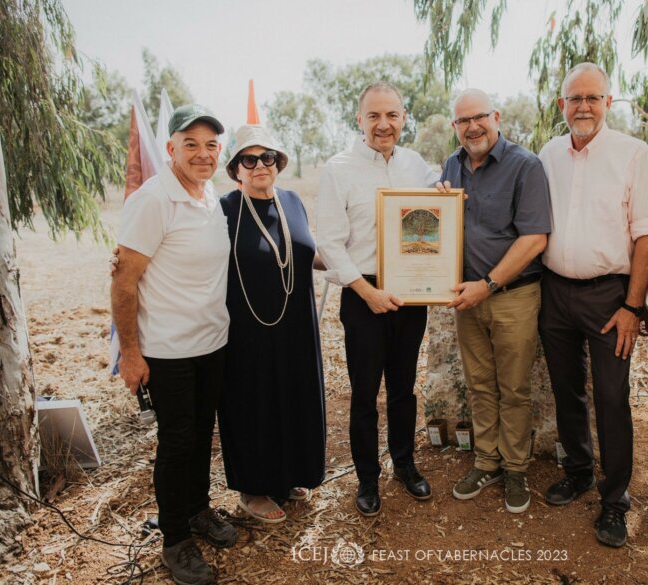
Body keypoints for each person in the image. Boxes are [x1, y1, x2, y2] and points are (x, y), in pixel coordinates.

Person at [537, 63, 648, 548]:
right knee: (566, 389)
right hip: (555, 292)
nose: (583, 107)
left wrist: (634, 305)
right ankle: (579, 470)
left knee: (611, 398)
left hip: (611, 296)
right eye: (575, 99)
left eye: (593, 98)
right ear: (561, 105)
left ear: (608, 103)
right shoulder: (547, 155)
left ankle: (615, 500)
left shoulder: (634, 154)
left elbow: (646, 234)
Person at [111, 104, 238, 585]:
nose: (202, 154)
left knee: (201, 433)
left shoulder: (210, 198)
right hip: (167, 351)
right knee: (177, 442)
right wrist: (130, 353)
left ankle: (197, 510)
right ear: (171, 149)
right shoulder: (152, 200)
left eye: (210, 145)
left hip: (211, 343)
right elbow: (124, 282)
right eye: (191, 144)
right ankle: (174, 540)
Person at [316, 82, 439, 517]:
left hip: (411, 292)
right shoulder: (339, 168)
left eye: (392, 115)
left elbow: (435, 219)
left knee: (404, 389)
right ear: (359, 120)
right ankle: (367, 479)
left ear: (404, 117)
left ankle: (404, 464)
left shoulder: (417, 166)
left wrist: (442, 199)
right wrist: (364, 291)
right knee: (365, 393)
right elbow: (328, 241)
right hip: (362, 294)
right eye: (374, 116)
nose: (383, 124)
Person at [441, 89, 551, 515]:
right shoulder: (452, 165)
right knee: (480, 385)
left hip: (512, 296)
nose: (472, 127)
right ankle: (486, 461)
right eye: (462, 120)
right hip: (466, 298)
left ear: (497, 117)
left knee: (515, 387)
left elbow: (535, 238)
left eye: (480, 117)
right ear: (455, 127)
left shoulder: (526, 165)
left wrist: (487, 284)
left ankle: (516, 468)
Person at [217, 125, 326, 524]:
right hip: (248, 328)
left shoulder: (293, 201)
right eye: (249, 159)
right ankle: (254, 487)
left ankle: (290, 472)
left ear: (278, 163)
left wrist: (362, 259)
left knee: (293, 395)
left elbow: (306, 252)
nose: (260, 165)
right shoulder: (225, 209)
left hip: (296, 322)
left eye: (267, 157)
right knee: (254, 401)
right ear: (235, 169)